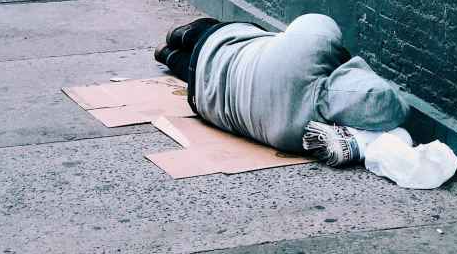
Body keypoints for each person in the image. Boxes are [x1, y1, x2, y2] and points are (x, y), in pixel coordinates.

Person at [155, 14, 410, 166]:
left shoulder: (310, 49)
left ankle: (178, 37)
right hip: (203, 100)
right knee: (198, 71)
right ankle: (167, 56)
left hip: (221, 42)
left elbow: (316, 22)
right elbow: (384, 103)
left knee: (205, 37)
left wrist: (342, 61)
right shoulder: (299, 136)